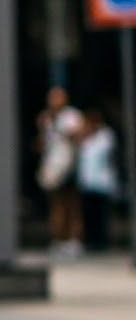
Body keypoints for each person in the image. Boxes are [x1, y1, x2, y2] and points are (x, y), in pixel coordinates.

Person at [37, 86, 84, 261]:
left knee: (71, 204)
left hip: (70, 166)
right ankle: (58, 239)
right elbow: (43, 144)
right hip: (54, 167)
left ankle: (73, 240)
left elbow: (79, 135)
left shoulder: (71, 116)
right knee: (56, 204)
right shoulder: (47, 119)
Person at [76, 108, 118, 256]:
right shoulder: (84, 137)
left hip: (101, 183)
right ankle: (89, 241)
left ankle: (100, 242)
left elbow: (106, 152)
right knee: (88, 214)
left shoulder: (105, 136)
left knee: (100, 215)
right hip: (87, 183)